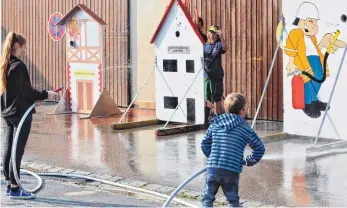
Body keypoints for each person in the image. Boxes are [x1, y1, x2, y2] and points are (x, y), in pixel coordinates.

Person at [0, 32, 57, 199]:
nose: (25, 51)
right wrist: (46, 94)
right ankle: (16, 188)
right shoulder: (19, 66)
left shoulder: (5, 64)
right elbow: (26, 91)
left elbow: (15, 92)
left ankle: (10, 186)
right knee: (17, 151)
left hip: (7, 113)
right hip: (20, 114)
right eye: (24, 48)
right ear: (17, 47)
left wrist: (33, 99)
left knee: (9, 148)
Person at [201, 93, 265, 207]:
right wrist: (247, 161)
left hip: (213, 169)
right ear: (241, 110)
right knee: (232, 200)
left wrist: (213, 157)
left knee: (207, 198)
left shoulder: (216, 123)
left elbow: (204, 143)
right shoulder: (245, 128)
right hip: (231, 171)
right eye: (245, 109)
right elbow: (260, 148)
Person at [203, 25, 227, 123]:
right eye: (211, 32)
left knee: (217, 98)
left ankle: (218, 119)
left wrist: (222, 37)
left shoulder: (219, 44)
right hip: (207, 76)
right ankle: (205, 118)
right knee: (206, 97)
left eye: (215, 33)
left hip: (216, 76)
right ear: (208, 33)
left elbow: (225, 48)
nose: (212, 35)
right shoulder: (205, 45)